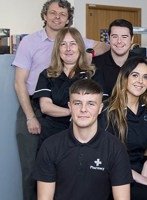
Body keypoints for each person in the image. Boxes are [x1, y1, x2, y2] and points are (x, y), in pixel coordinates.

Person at [12, 1, 109, 199]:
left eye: (62, 14)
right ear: (45, 15)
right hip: (33, 106)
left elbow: (104, 46)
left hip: (75, 120)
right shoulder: (30, 44)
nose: (57, 17)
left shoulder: (79, 47)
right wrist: (31, 116)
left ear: (67, 18)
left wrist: (89, 54)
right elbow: (20, 83)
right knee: (35, 168)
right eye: (53, 12)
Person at [33, 79, 132, 200]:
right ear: (70, 106)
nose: (83, 109)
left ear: (100, 108)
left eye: (91, 104)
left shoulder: (115, 148)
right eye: (77, 103)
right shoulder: (50, 146)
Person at [102, 56, 147, 199]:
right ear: (124, 77)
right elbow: (104, 156)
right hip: (111, 176)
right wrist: (137, 176)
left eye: (145, 77)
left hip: (137, 172)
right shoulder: (107, 110)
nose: (140, 81)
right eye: (135, 75)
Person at [33, 27, 102, 147]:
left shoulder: (93, 74)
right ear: (57, 49)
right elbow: (45, 107)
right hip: (52, 134)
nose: (68, 49)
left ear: (80, 47)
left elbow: (101, 104)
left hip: (85, 134)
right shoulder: (47, 75)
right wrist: (74, 112)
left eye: (73, 44)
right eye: (63, 44)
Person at [92, 19, 147, 97]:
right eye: (115, 36)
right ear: (109, 38)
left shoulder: (137, 60)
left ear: (132, 39)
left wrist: (134, 64)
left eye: (124, 37)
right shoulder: (96, 64)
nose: (119, 41)